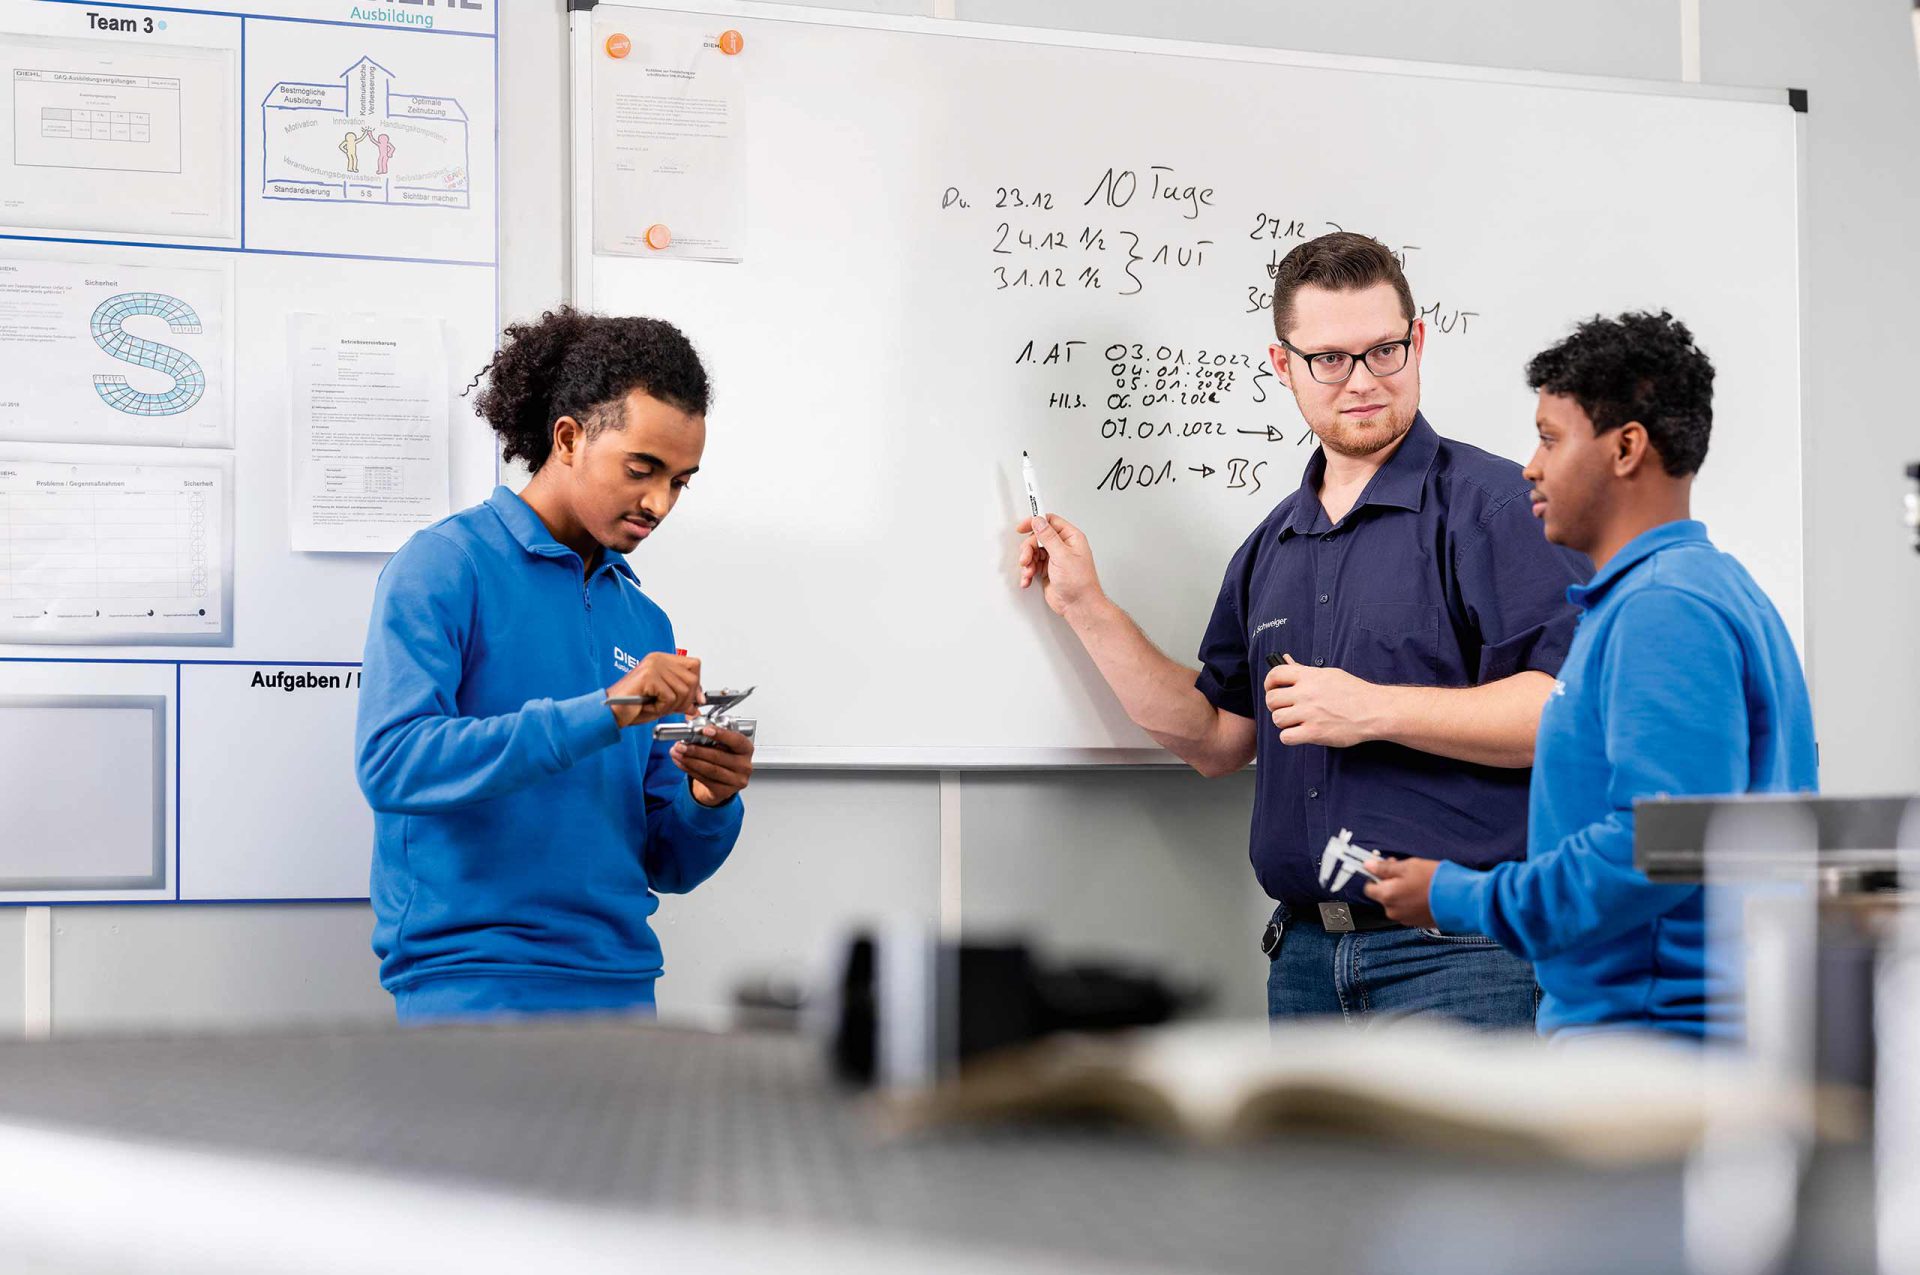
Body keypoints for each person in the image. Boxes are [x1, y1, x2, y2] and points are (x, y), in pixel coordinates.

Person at [1018, 233, 1589, 1028]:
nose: (1362, 382)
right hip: (1306, 964)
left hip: (1465, 960)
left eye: (1384, 351)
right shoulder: (1270, 547)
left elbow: (1563, 712)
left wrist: (1374, 709)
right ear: (1282, 365)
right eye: (1329, 359)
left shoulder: (1496, 509)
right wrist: (1086, 605)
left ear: (1417, 341)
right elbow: (1217, 738)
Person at [1365, 311, 1818, 1039]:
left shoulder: (1664, 610)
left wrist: (1460, 896)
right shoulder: (1692, 591)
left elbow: (1652, 848)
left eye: (1550, 437)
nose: (1531, 467)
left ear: (1625, 448)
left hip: (1654, 1042)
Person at [355, 308, 752, 1023]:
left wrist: (709, 801)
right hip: (474, 985)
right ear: (568, 437)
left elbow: (670, 860)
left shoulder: (645, 621)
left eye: (681, 482)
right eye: (642, 468)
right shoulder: (446, 566)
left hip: (622, 988)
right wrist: (608, 710)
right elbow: (393, 762)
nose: (658, 502)